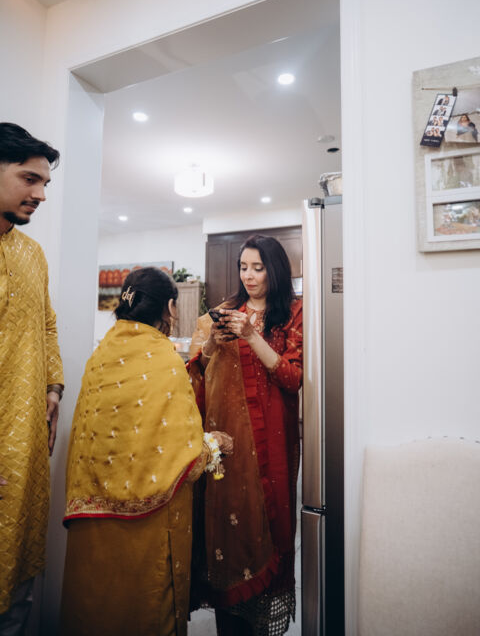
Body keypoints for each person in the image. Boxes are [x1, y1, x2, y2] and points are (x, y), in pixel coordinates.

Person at [60, 267, 233, 636]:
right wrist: (214, 445)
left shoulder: (100, 355)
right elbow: (182, 451)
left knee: (95, 610)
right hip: (146, 527)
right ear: (169, 308)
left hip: (93, 522)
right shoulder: (162, 357)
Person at [188, 235, 303, 635]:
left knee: (269, 526)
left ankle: (261, 619)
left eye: (258, 268)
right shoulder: (224, 312)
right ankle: (228, 617)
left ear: (275, 270)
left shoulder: (293, 314)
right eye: (243, 267)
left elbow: (293, 378)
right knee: (227, 530)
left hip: (272, 443)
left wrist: (252, 335)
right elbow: (196, 374)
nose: (249, 276)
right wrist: (212, 344)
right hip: (228, 447)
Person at [0, 123, 64, 633]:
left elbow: (46, 324)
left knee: (18, 563)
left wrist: (53, 388)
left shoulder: (31, 253)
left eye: (44, 183)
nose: (41, 194)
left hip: (23, 440)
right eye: (29, 179)